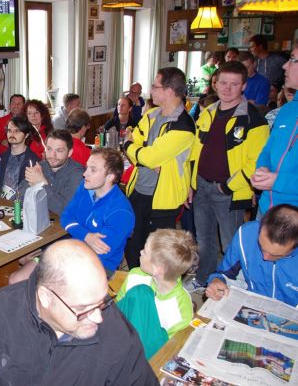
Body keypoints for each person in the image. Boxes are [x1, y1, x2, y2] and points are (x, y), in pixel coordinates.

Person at [0, 239, 158, 385]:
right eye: (83, 310)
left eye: (102, 301)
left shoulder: (118, 334)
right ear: (46, 297)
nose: (99, 317)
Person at [185, 61, 269, 292]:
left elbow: (256, 163)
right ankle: (204, 279)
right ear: (215, 84)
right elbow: (195, 151)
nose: (227, 88)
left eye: (234, 84)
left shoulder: (254, 120)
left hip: (229, 192)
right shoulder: (208, 112)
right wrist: (190, 183)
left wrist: (227, 187)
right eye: (223, 83)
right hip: (201, 185)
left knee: (231, 243)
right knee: (204, 240)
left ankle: (232, 286)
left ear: (244, 86)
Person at [123, 67, 196, 270]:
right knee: (132, 246)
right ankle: (136, 282)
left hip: (164, 199)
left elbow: (149, 155)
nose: (151, 91)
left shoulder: (184, 126)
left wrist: (131, 147)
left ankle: (157, 287)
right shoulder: (151, 115)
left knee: (159, 254)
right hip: (138, 190)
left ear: (169, 91)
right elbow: (137, 141)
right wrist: (143, 154)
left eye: (155, 86)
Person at [116, 229, 198, 358]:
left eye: (145, 252)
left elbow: (166, 349)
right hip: (120, 339)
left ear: (156, 269)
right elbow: (119, 308)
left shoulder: (181, 306)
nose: (140, 252)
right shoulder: (135, 275)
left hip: (144, 356)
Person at [205, 204, 298, 307]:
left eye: (276, 255)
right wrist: (216, 280)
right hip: (253, 303)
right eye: (261, 247)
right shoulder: (247, 233)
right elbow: (224, 272)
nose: (265, 257)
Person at [61, 148, 135, 277]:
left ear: (110, 176)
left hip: (100, 268)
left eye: (93, 170)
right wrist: (86, 236)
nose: (85, 174)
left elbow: (99, 253)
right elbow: (65, 217)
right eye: (87, 167)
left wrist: (76, 232)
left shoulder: (121, 212)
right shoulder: (85, 187)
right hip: (75, 254)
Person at [252, 46, 298, 215]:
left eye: (293, 59)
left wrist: (279, 182)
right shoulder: (287, 110)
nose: (285, 65)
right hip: (266, 210)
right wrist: (262, 169)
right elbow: (267, 150)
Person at [25, 130, 84, 215]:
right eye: (49, 149)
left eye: (59, 151)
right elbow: (19, 196)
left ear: (69, 153)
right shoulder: (42, 165)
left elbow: (66, 210)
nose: (52, 155)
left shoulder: (78, 175)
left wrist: (42, 184)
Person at [0, 116, 39, 201]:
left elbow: (33, 193)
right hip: (1, 204)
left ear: (26, 135)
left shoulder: (33, 161)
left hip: (21, 205)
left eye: (17, 131)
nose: (12, 134)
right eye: (9, 130)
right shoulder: (1, 158)